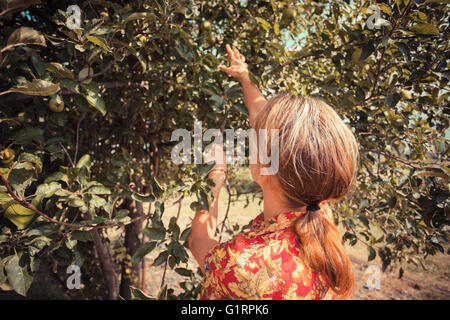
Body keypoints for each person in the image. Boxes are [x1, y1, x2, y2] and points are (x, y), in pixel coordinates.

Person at [188, 44, 359, 300]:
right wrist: (244, 76)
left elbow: (199, 239)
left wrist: (214, 178)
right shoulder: (319, 212)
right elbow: (268, 124)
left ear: (266, 167)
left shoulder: (241, 264)